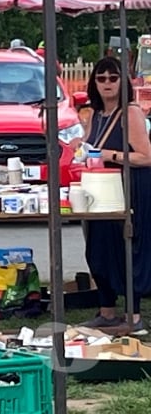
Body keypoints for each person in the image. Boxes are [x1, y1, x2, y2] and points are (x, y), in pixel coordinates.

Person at [81, 56, 151, 332]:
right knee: (98, 250)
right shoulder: (95, 115)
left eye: (113, 78)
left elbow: (146, 156)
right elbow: (89, 147)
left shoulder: (130, 113)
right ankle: (106, 311)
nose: (107, 83)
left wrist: (111, 155)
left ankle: (134, 315)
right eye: (101, 78)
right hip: (100, 190)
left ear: (123, 81)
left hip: (129, 189)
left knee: (127, 250)